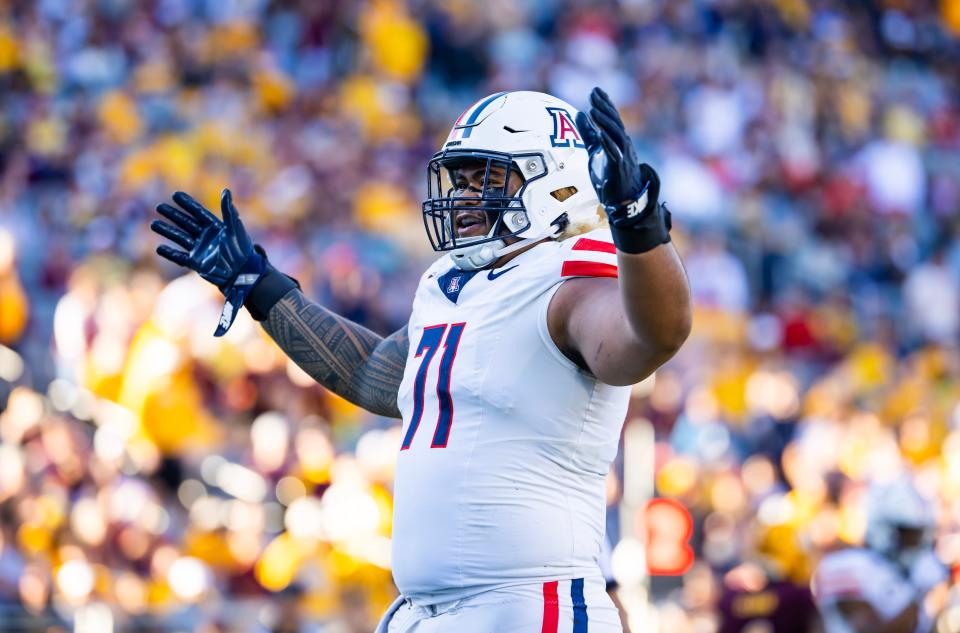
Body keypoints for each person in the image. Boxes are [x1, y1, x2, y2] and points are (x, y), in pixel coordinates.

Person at [150, 88, 691, 632]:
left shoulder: (570, 273)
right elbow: (374, 374)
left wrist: (637, 218)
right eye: (463, 179)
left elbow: (653, 338)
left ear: (557, 181)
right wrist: (258, 285)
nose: (465, 195)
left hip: (528, 606)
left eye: (488, 179)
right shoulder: (453, 284)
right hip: (424, 612)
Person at [812, 476, 948, 633]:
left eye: (919, 533)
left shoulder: (921, 566)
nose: (916, 542)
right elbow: (868, 629)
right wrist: (918, 602)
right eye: (908, 533)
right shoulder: (845, 566)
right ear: (885, 529)